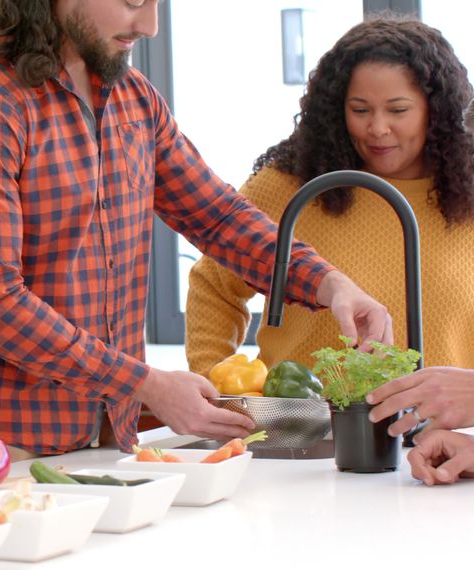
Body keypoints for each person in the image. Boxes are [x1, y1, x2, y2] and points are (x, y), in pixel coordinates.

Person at [0, 0, 392, 459]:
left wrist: (330, 285)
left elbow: (218, 216)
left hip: (102, 436)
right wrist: (147, 385)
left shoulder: (131, 97)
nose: (150, 26)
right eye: (133, 1)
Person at [184, 16, 474, 378]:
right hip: (297, 428)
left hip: (442, 432)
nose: (378, 128)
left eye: (398, 110)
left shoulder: (467, 199)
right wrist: (216, 381)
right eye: (360, 110)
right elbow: (215, 284)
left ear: (438, 110)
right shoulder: (289, 188)